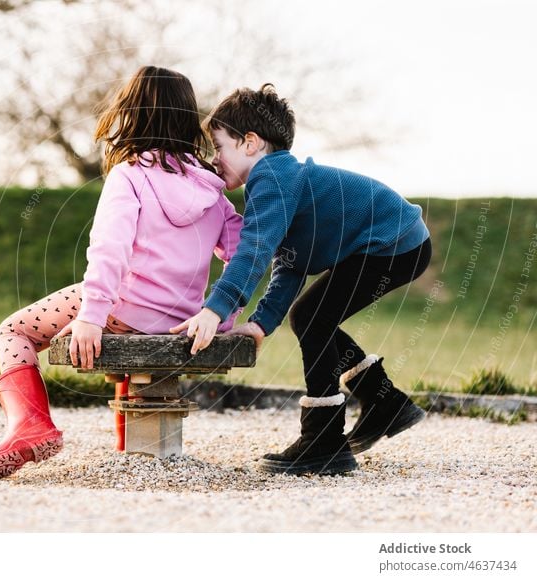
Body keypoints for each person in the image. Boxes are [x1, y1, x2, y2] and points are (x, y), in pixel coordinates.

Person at [0, 66, 243, 479]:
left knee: (14, 331)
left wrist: (91, 317)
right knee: (105, 334)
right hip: (183, 320)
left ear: (131, 114)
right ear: (189, 119)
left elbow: (109, 251)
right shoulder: (214, 191)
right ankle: (129, 453)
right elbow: (243, 258)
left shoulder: (130, 175)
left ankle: (30, 427)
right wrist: (221, 317)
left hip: (123, 310)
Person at [171, 83, 431, 475]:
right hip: (395, 243)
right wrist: (259, 325)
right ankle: (384, 404)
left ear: (251, 143)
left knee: (312, 318)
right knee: (312, 315)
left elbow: (254, 249)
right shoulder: (278, 179)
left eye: (219, 146)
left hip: (392, 243)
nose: (214, 158)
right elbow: (289, 265)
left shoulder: (271, 180)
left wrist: (215, 308)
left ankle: (325, 441)